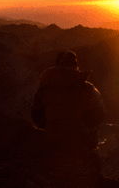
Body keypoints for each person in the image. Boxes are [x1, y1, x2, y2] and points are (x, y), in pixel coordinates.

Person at [31, 50, 106, 187]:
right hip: (82, 145)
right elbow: (99, 116)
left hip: (52, 143)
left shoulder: (44, 87)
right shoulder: (87, 88)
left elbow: (36, 117)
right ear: (75, 66)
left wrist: (53, 127)